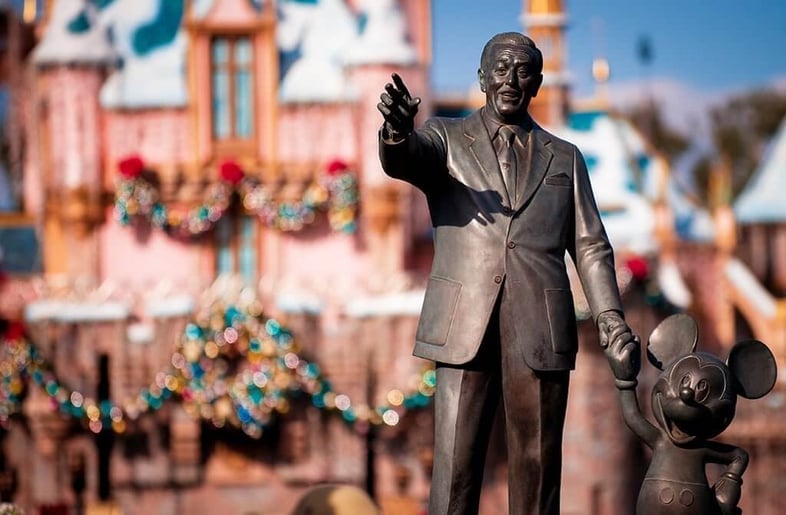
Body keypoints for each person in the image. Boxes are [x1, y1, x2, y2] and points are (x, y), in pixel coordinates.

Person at [377, 32, 632, 515]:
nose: (510, 80)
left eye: (521, 70)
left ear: (536, 82)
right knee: (453, 473)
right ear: (480, 78)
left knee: (537, 479)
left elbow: (591, 245)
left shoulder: (565, 158)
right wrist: (395, 133)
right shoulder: (444, 139)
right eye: (500, 68)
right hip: (462, 323)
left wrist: (610, 320)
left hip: (540, 327)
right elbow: (407, 159)